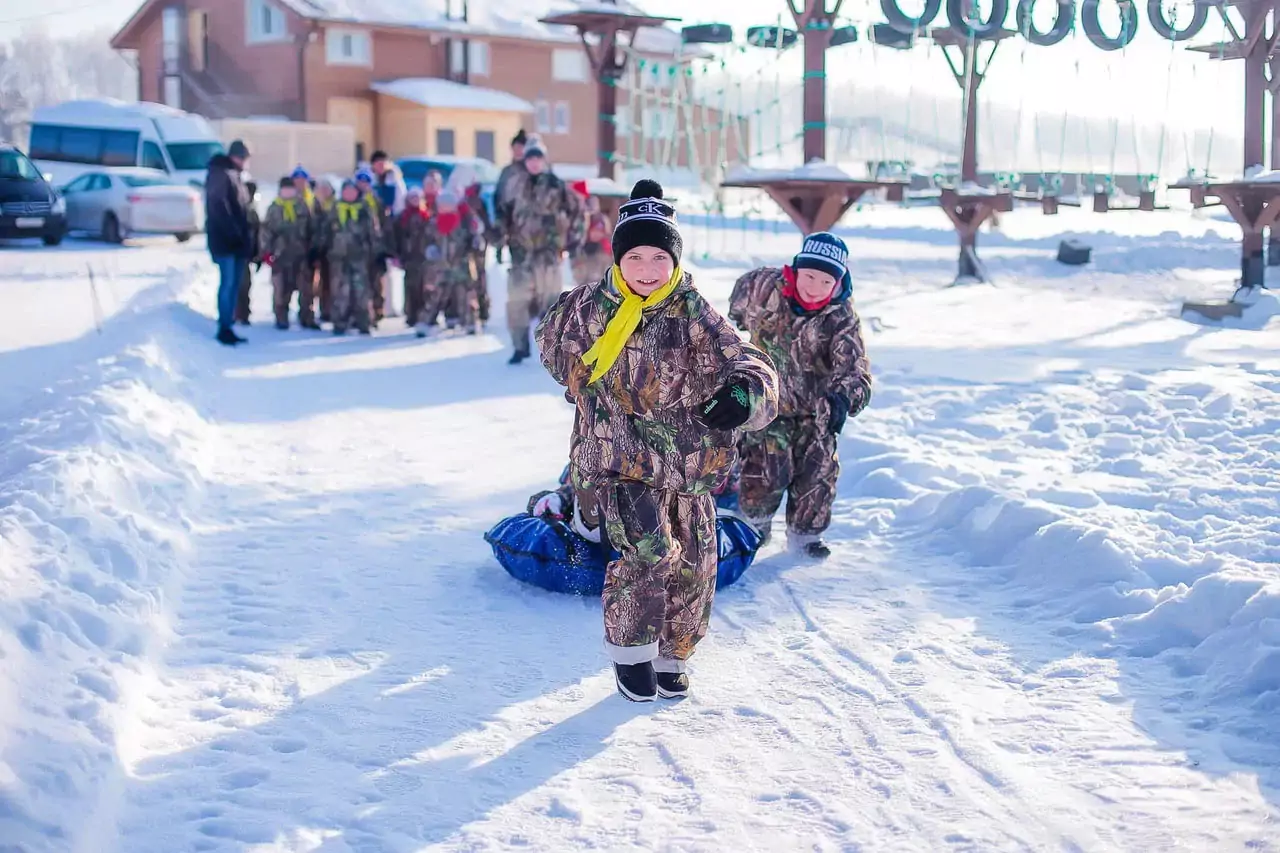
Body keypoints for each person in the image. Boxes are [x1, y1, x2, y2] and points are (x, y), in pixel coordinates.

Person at [536, 179, 779, 703]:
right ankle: (632, 655)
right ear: (618, 259)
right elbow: (551, 341)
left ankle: (673, 654)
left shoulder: (694, 314)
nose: (648, 269)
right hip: (618, 463)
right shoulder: (589, 308)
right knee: (650, 551)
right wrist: (582, 379)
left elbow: (749, 359)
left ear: (674, 262)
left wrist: (743, 395)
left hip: (687, 466)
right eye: (636, 257)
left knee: (695, 563)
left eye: (659, 258)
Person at [728, 232, 873, 558]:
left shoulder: (840, 316)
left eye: (825, 281)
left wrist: (844, 398)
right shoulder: (764, 288)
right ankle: (754, 524)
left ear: (837, 284)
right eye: (809, 276)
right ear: (795, 270)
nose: (815, 287)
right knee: (764, 469)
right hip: (767, 404)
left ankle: (806, 537)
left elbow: (855, 368)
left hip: (815, 410)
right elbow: (731, 322)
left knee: (818, 473)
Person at [500, 140, 584, 365]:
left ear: (543, 160)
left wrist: (571, 241)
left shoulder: (555, 184)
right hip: (521, 255)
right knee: (517, 302)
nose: (534, 163)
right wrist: (502, 239)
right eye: (530, 159)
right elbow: (502, 214)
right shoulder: (514, 184)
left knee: (550, 304)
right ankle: (519, 347)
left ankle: (551, 350)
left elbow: (577, 209)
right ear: (525, 161)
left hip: (547, 255)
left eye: (538, 159)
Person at [205, 139, 253, 346]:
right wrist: (234, 233)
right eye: (242, 158)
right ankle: (224, 326)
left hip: (235, 242)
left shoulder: (234, 175)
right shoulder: (220, 174)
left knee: (233, 284)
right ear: (235, 157)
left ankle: (229, 324)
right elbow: (219, 207)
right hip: (225, 241)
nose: (244, 162)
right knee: (228, 283)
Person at [417, 189, 482, 338]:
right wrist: (430, 250)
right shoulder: (434, 223)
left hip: (462, 264)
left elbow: (475, 236)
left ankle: (471, 323)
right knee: (436, 295)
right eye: (442, 205)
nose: (445, 208)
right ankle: (426, 322)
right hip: (441, 266)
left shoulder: (464, 221)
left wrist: (476, 242)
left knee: (466, 294)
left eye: (448, 205)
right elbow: (426, 240)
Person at [262, 176, 319, 330]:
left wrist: (314, 249)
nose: (287, 192)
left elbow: (311, 229)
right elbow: (266, 232)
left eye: (290, 189)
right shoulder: (274, 208)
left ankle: (306, 316)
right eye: (284, 190)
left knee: (305, 289)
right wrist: (266, 252)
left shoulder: (302, 206)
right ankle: (281, 317)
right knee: (281, 289)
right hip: (280, 255)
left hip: (301, 254)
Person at [326, 179, 378, 336]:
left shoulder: (364, 209)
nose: (349, 194)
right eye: (346, 191)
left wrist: (376, 252)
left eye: (352, 191)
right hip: (339, 257)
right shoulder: (335, 208)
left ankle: (364, 321)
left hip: (360, 257)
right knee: (341, 291)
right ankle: (340, 322)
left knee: (361, 291)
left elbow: (373, 233)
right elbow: (325, 231)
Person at [393, 185, 432, 329]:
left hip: (425, 258)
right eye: (412, 198)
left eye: (417, 198)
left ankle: (425, 314)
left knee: (425, 287)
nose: (415, 200)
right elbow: (396, 238)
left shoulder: (427, 217)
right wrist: (396, 255)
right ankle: (411, 315)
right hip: (408, 257)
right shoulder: (402, 218)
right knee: (410, 287)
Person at [356, 166, 390, 324]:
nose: (363, 185)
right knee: (361, 284)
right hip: (358, 250)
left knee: (377, 282)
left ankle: (377, 311)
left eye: (366, 182)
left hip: (376, 249)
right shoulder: (352, 201)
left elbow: (385, 225)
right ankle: (362, 314)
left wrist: (384, 248)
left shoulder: (377, 201)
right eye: (360, 182)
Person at [493, 128, 528, 264]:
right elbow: (499, 201)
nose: (518, 151)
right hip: (513, 229)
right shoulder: (507, 173)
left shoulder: (533, 172)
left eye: (521, 148)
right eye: (516, 148)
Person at [571, 191, 612, 287]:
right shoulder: (582, 218)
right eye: (591, 203)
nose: (593, 206)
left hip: (600, 252)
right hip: (586, 252)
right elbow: (581, 235)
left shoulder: (603, 218)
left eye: (595, 203)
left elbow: (607, 233)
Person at [234, 179, 261, 326]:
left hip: (246, 254)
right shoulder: (236, 210)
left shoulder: (252, 212)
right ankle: (236, 313)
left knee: (245, 284)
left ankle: (243, 313)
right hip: (236, 253)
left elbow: (257, 236)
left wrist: (257, 255)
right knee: (237, 284)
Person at [312, 180, 336, 323]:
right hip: (317, 249)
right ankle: (323, 309)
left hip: (333, 250)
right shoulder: (312, 206)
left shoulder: (336, 206)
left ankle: (331, 310)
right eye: (321, 190)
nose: (324, 193)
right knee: (320, 283)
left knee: (332, 282)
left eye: (326, 189)